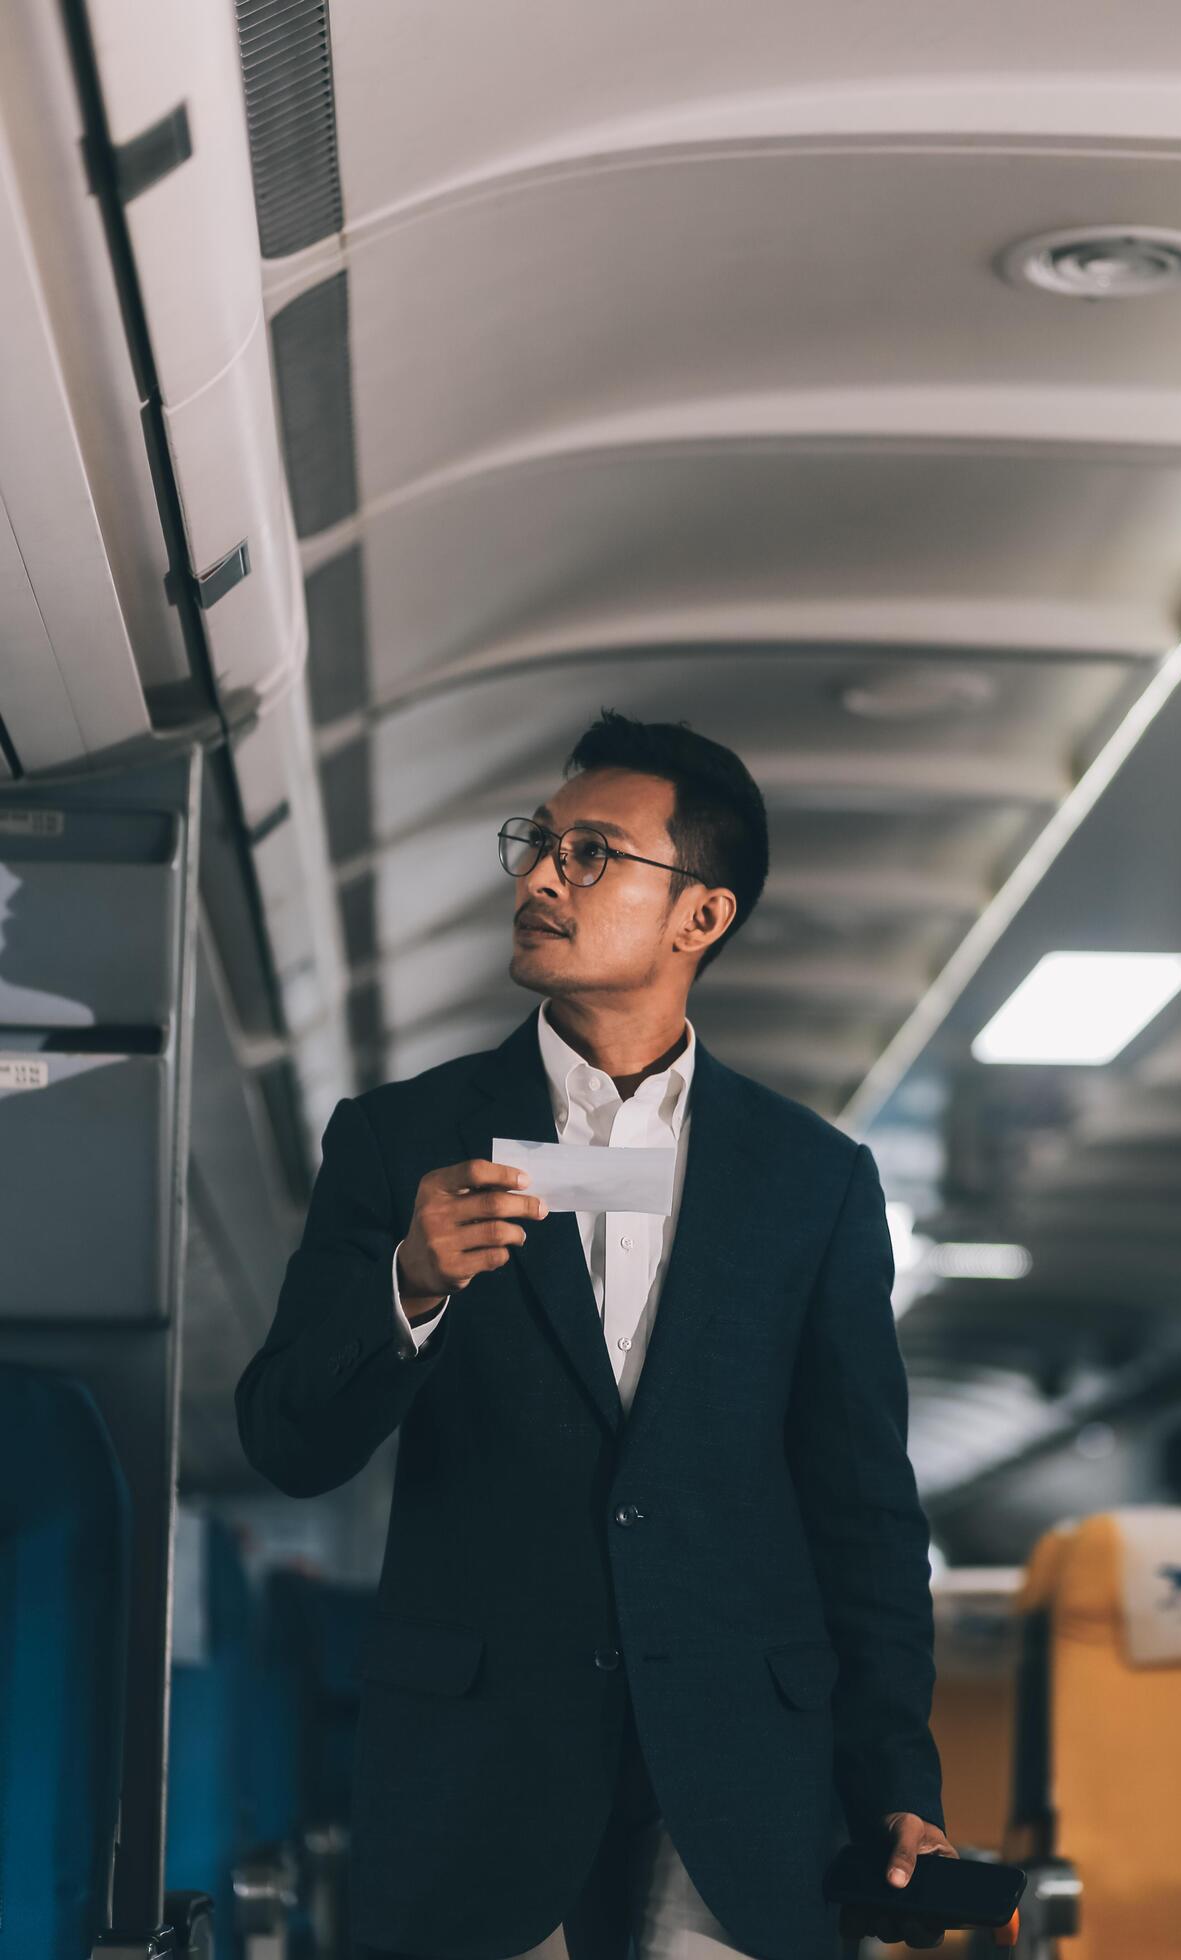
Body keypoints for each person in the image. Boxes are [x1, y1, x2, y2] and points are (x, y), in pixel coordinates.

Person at [235, 709, 954, 1960]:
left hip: (738, 1773)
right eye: (537, 845)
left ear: (700, 917)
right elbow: (286, 1438)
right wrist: (407, 1282)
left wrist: (898, 1780)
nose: (536, 877)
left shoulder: (810, 1179)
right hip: (479, 1768)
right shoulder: (400, 1139)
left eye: (589, 854)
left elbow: (862, 1508)